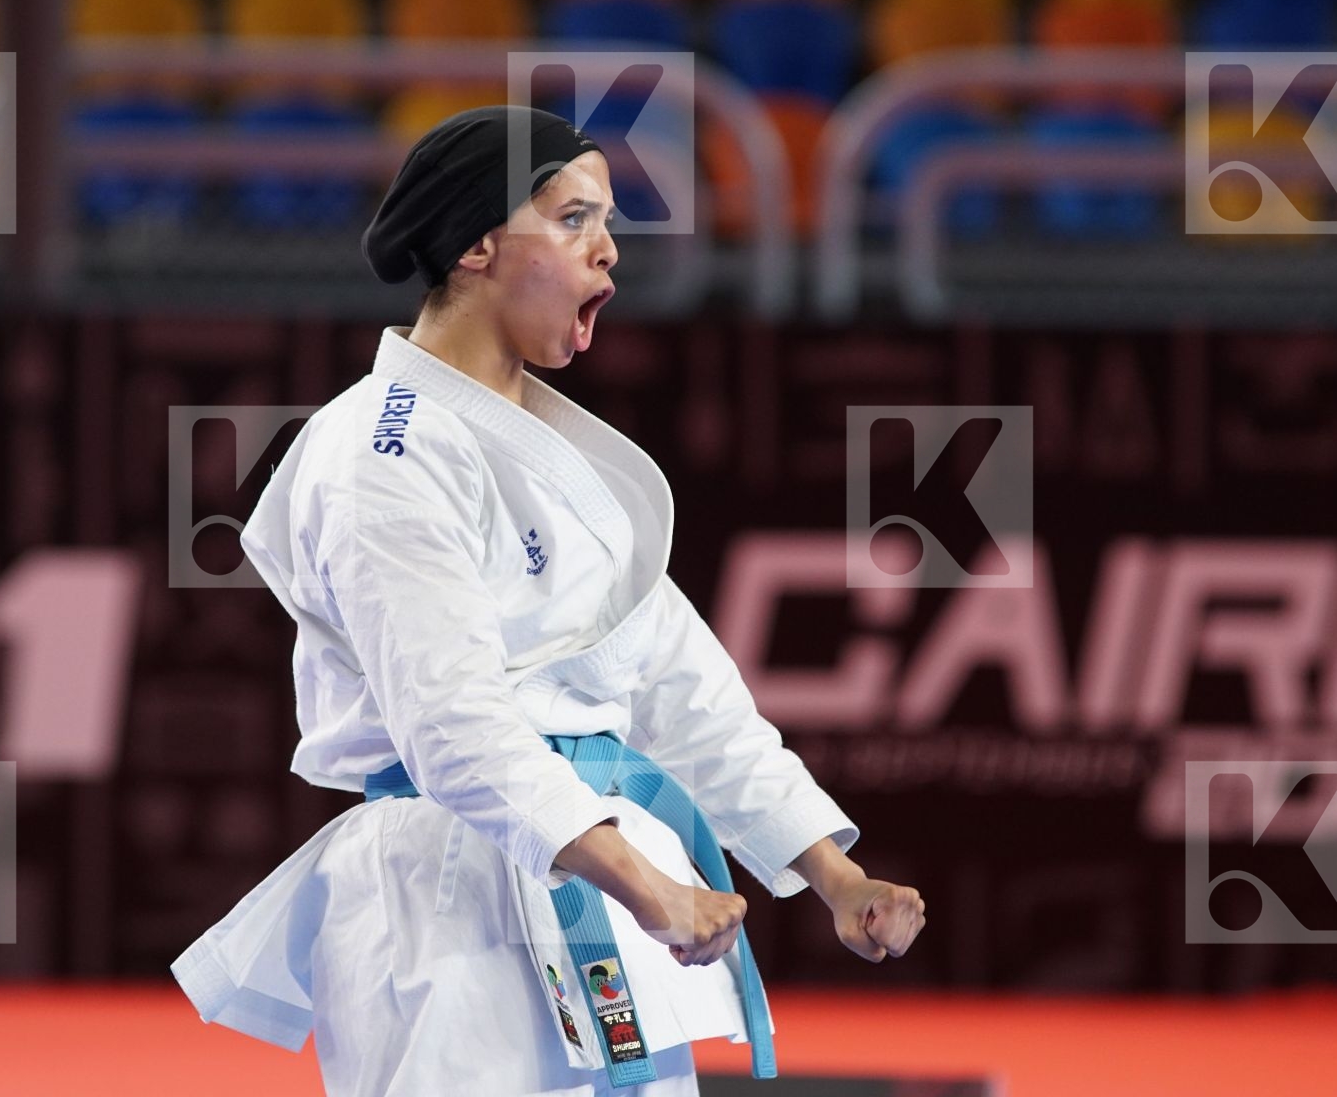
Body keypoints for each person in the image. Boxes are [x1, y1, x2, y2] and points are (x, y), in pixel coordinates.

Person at [171, 106, 926, 1096]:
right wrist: (647, 885)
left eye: (607, 222)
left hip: (605, 882)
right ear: (480, 243)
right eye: (574, 219)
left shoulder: (565, 463)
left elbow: (683, 695)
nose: (608, 252)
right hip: (449, 890)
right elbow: (451, 725)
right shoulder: (383, 451)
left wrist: (835, 874)